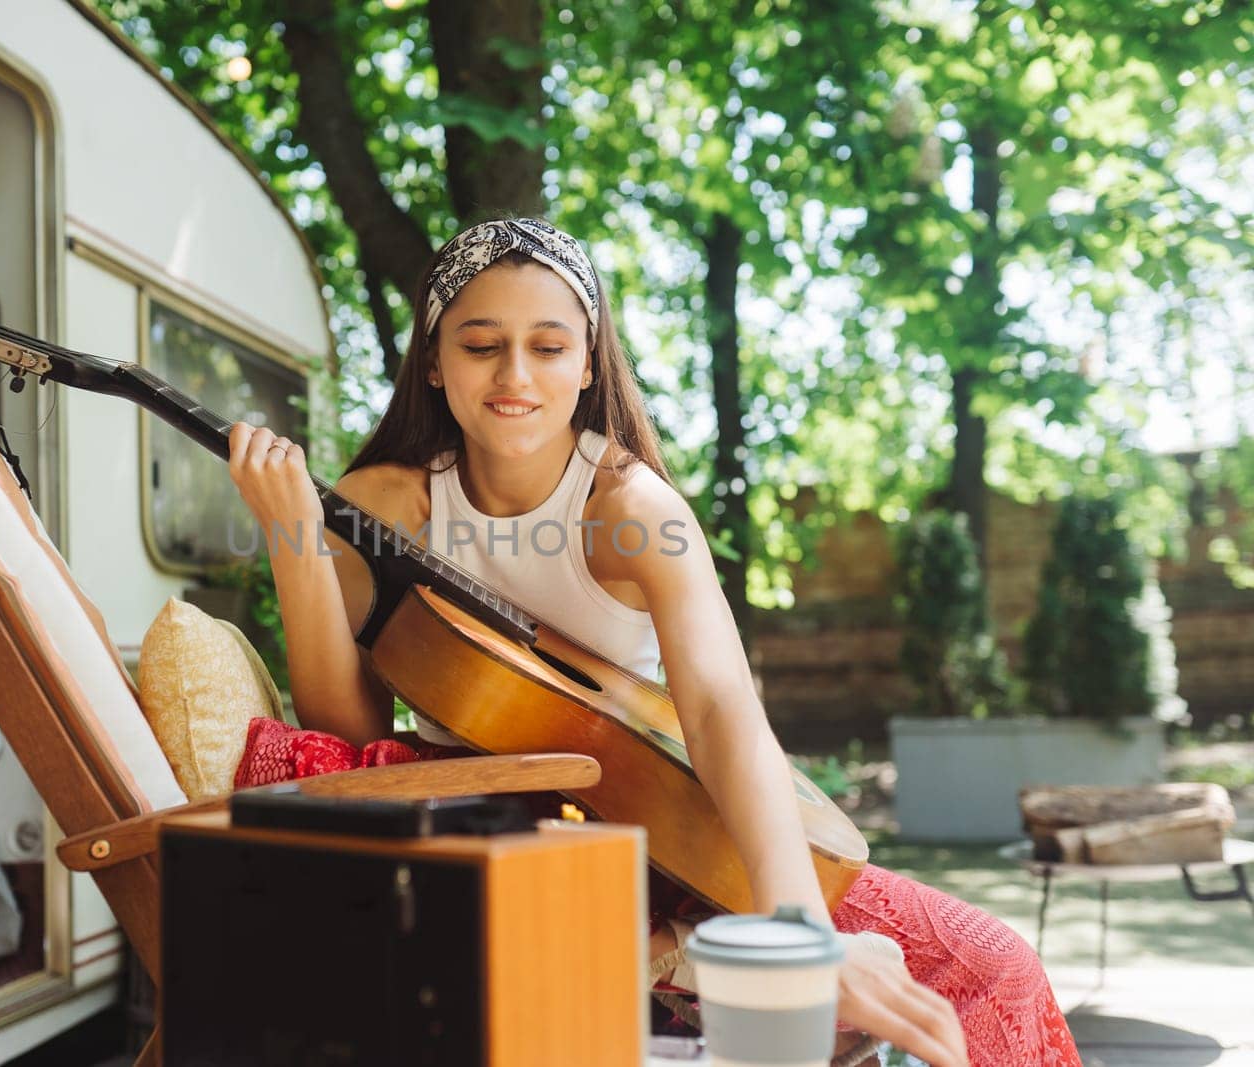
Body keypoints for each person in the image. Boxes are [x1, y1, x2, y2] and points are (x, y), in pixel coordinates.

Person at [227, 217, 1079, 1066]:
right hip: (490, 828)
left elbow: (718, 708)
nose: (515, 374)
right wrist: (292, 541)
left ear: (589, 362)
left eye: (549, 346)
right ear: (435, 362)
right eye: (481, 343)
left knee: (993, 966)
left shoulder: (632, 511)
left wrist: (800, 931)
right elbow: (347, 737)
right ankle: (669, 949)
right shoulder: (379, 501)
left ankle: (676, 941)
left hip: (676, 828)